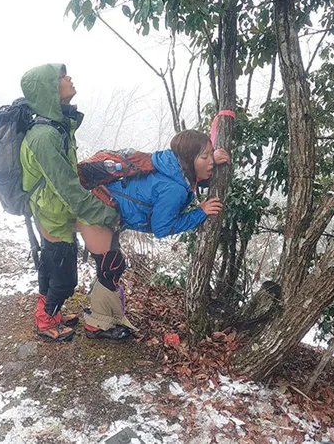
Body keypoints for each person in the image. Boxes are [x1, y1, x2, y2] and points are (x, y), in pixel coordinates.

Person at [78, 129, 230, 340]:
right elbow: (162, 228)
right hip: (99, 208)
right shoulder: (174, 189)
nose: (210, 161)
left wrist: (212, 159)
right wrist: (200, 213)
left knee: (111, 265)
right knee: (110, 266)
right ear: (188, 159)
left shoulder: (169, 162)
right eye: (205, 156)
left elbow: (188, 174)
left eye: (209, 154)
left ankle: (104, 317)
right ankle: (97, 325)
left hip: (103, 200)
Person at [19, 63, 120, 342]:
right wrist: (105, 214)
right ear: (49, 90)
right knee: (64, 277)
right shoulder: (45, 136)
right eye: (62, 77)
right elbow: (67, 188)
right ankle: (45, 321)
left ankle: (48, 313)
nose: (69, 78)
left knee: (52, 266)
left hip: (55, 209)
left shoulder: (56, 126)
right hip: (52, 212)